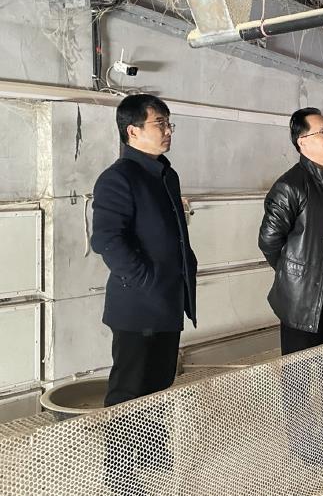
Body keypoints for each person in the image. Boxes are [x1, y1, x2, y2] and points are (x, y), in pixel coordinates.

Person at [91, 94, 197, 492]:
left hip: (167, 301)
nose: (168, 131)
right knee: (129, 392)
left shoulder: (165, 174)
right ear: (132, 131)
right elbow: (107, 240)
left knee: (158, 385)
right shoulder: (118, 178)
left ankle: (150, 470)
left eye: (169, 123)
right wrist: (147, 280)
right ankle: (121, 480)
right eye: (159, 124)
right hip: (138, 308)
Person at [258, 107, 323, 355]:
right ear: (302, 141)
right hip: (304, 299)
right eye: (322, 132)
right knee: (299, 369)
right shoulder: (290, 186)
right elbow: (269, 241)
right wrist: (297, 274)